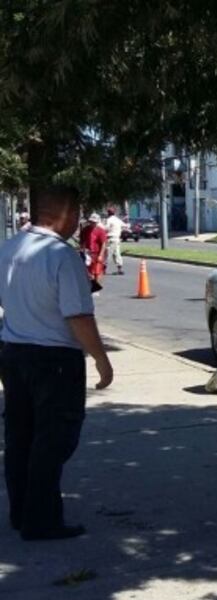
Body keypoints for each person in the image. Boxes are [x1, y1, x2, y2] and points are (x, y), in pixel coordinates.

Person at [0, 185, 114, 541]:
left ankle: (21, 512)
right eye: (76, 213)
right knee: (54, 440)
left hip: (14, 353)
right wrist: (101, 360)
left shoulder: (9, 248)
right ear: (64, 214)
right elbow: (78, 316)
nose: (78, 222)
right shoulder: (61, 256)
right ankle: (41, 519)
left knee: (20, 436)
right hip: (55, 360)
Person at [78, 213, 107, 289]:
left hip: (97, 253)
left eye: (94, 222)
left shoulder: (101, 231)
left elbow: (103, 244)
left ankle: (96, 288)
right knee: (89, 272)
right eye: (91, 222)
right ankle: (90, 286)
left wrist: (101, 255)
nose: (92, 223)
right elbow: (82, 241)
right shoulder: (85, 230)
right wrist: (81, 251)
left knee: (97, 272)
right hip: (87, 253)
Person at [103, 207, 126, 275]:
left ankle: (104, 268)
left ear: (108, 213)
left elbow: (106, 228)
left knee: (108, 254)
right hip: (117, 238)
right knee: (117, 253)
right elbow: (124, 226)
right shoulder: (118, 220)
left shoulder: (109, 220)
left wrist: (102, 225)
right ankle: (119, 268)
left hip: (111, 238)